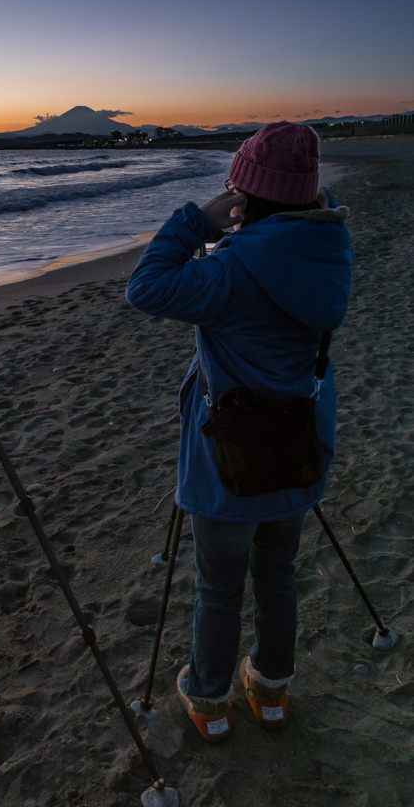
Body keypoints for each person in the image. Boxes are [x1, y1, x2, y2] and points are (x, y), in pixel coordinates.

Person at [125, 122, 353, 742]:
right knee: (278, 575)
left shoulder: (229, 275)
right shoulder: (330, 249)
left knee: (218, 587)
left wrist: (197, 222)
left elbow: (143, 288)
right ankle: (272, 690)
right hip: (300, 445)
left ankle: (209, 699)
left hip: (231, 458)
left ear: (244, 195)